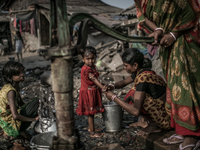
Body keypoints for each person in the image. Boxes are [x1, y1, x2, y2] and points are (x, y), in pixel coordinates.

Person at [134, 0, 200, 149]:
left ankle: (192, 134)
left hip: (185, 38)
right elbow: (141, 17)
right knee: (174, 85)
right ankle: (182, 130)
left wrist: (173, 34)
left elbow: (192, 12)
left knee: (185, 84)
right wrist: (158, 29)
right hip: (166, 43)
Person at [104, 48, 171, 135]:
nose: (124, 68)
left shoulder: (143, 78)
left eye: (126, 65)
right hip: (163, 111)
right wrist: (112, 86)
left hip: (164, 119)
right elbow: (124, 82)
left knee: (133, 94)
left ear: (135, 65)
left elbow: (136, 111)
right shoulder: (141, 72)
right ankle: (143, 121)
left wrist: (114, 98)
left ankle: (154, 126)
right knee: (136, 93)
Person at [0, 61, 39, 140]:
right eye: (18, 74)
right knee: (38, 102)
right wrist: (33, 119)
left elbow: (22, 105)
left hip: (7, 123)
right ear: (10, 77)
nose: (22, 75)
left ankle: (21, 130)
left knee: (35, 103)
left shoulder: (12, 87)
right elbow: (15, 116)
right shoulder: (11, 91)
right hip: (10, 126)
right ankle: (19, 131)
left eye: (22, 72)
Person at [76, 46, 105, 138]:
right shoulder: (86, 69)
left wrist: (101, 84)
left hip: (91, 91)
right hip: (88, 94)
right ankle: (92, 133)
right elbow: (93, 78)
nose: (91, 61)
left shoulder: (91, 67)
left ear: (95, 57)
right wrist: (102, 87)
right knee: (90, 114)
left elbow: (95, 79)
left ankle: (91, 128)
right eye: (88, 59)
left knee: (91, 113)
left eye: (92, 58)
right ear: (83, 59)